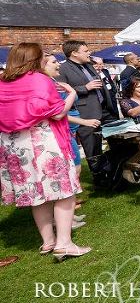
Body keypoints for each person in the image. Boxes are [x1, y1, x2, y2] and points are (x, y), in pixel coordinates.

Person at [0, 43, 91, 261]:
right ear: (34, 59)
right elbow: (58, 114)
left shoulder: (2, 83)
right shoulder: (39, 80)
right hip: (42, 143)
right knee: (64, 192)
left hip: (14, 145)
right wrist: (70, 95)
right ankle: (64, 243)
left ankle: (48, 241)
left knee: (37, 195)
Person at [42, 54, 91, 228]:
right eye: (54, 62)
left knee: (74, 171)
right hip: (61, 133)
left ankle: (68, 216)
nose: (58, 65)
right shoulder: (47, 86)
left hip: (67, 133)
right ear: (43, 65)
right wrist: (84, 121)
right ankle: (61, 219)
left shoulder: (55, 83)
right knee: (70, 173)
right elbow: (59, 113)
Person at [57, 40, 116, 173]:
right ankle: (99, 177)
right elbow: (62, 92)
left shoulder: (88, 65)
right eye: (85, 51)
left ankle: (117, 169)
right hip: (86, 113)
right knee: (93, 148)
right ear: (74, 53)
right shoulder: (63, 68)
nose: (89, 53)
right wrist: (85, 88)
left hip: (105, 109)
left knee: (118, 140)